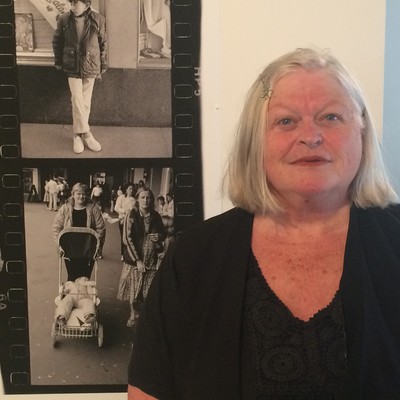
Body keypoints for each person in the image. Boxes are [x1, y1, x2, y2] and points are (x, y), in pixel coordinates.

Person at [127, 48, 400, 399]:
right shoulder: (194, 257)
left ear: (361, 132)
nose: (311, 136)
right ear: (255, 141)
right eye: (286, 121)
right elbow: (149, 390)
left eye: (331, 117)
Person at [52, 0, 107, 154]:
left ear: (87, 4)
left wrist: (103, 65)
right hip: (72, 65)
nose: (72, 6)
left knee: (86, 102)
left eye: (76, 3)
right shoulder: (64, 19)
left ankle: (78, 135)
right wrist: (58, 61)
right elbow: (57, 41)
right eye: (72, 2)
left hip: (91, 64)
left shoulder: (98, 19)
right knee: (77, 99)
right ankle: (86, 134)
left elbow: (103, 43)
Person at [117, 187, 165, 328]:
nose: (146, 200)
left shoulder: (155, 216)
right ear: (137, 199)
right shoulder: (131, 216)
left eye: (149, 197)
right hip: (135, 260)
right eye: (143, 197)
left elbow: (162, 233)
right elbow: (127, 238)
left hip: (151, 259)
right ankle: (133, 314)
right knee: (134, 289)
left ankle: (144, 316)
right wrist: (137, 260)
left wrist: (159, 236)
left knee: (147, 289)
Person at [53, 182, 106, 281]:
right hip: (70, 249)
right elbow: (57, 227)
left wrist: (98, 246)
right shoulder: (65, 208)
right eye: (78, 194)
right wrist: (59, 245)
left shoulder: (94, 209)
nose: (81, 196)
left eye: (84, 194)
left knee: (85, 278)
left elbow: (101, 228)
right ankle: (72, 295)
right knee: (72, 277)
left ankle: (83, 295)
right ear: (73, 194)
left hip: (88, 249)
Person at [114, 183, 136, 261]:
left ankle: (130, 253)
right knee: (124, 237)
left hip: (132, 221)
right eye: (130, 189)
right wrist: (124, 211)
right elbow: (116, 208)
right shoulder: (121, 198)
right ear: (126, 189)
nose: (131, 190)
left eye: (132, 189)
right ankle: (123, 254)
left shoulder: (134, 200)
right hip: (123, 220)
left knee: (131, 237)